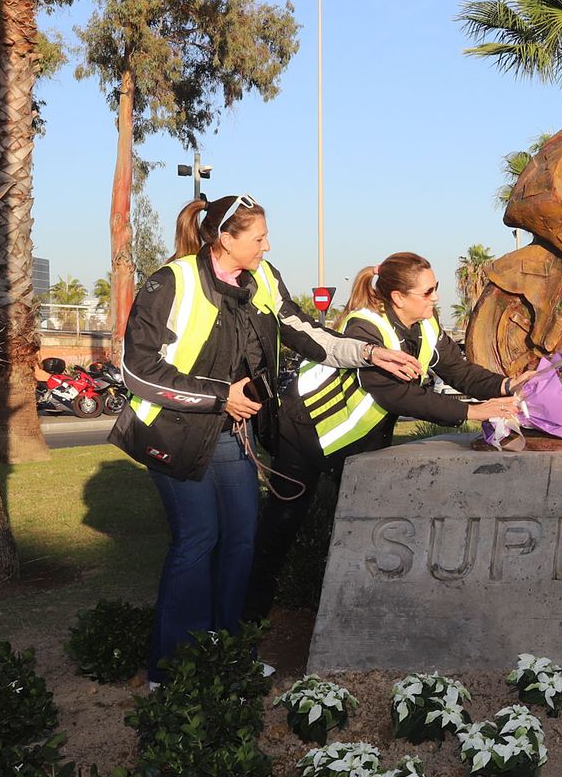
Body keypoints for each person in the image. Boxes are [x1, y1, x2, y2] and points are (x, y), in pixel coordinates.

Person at [111, 194, 419, 684]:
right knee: (198, 540)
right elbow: (137, 371)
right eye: (258, 238)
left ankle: (228, 654)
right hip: (171, 431)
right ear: (225, 238)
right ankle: (171, 669)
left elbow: (304, 330)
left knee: (240, 541)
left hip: (232, 433)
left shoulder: (264, 279)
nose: (267, 245)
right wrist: (220, 396)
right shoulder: (172, 281)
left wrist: (369, 353)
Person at [242, 251, 528, 620]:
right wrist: (471, 412)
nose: (436, 298)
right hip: (306, 435)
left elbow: (460, 372)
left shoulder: (426, 327)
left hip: (360, 446)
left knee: (372, 530)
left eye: (435, 289)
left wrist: (505, 385)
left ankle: (362, 613)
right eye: (428, 292)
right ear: (398, 297)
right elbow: (394, 393)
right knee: (278, 534)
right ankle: (244, 627)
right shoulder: (365, 326)